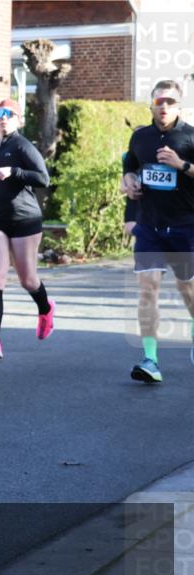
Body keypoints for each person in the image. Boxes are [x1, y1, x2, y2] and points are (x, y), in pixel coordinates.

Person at [121, 79, 194, 382]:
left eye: (170, 102)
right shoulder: (141, 138)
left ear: (178, 105)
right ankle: (150, 359)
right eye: (158, 102)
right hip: (150, 226)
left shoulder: (190, 137)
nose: (163, 107)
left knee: (187, 290)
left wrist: (183, 164)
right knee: (147, 289)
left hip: (184, 226)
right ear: (151, 104)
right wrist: (128, 183)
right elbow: (130, 166)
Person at [0, 98, 54, 360]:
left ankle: (45, 308)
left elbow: (43, 178)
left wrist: (15, 171)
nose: (3, 117)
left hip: (24, 218)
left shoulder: (22, 145)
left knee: (27, 279)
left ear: (18, 119)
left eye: (9, 114)